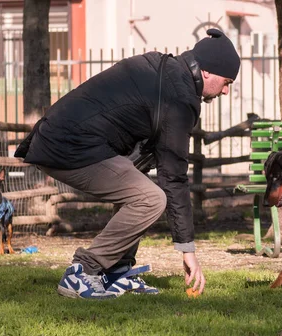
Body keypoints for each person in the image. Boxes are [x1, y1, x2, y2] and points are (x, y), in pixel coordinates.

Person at [16, 29, 240, 299]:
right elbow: (174, 176)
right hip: (69, 145)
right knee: (151, 198)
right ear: (207, 72)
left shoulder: (163, 69)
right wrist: (187, 249)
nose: (226, 91)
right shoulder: (179, 98)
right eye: (227, 82)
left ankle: (115, 274)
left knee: (138, 184)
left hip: (63, 138)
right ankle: (83, 271)